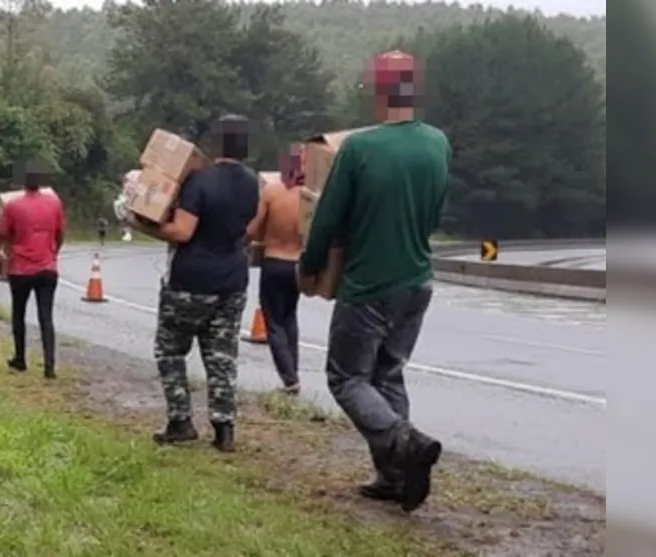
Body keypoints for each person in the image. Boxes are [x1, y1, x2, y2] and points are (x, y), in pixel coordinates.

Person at [297, 51, 450, 513]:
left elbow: (327, 218)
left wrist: (310, 265)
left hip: (369, 284)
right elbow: (436, 212)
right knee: (388, 373)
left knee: (346, 378)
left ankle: (403, 443)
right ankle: (395, 476)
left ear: (380, 91)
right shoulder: (438, 143)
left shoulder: (360, 148)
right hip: (417, 280)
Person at [129, 115, 259, 452]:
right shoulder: (252, 182)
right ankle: (224, 428)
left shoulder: (200, 181)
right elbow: (247, 229)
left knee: (170, 350)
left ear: (216, 143)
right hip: (232, 280)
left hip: (191, 280)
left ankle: (180, 421)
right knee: (222, 355)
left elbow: (182, 231)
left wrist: (143, 226)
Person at [0, 164, 66, 379]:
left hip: (21, 269)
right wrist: (53, 253)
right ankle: (49, 366)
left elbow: (2, 234)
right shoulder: (54, 203)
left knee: (19, 314)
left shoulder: (13, 206)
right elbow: (60, 233)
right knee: (46, 316)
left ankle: (20, 359)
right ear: (41, 182)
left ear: (22, 183)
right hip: (47, 268)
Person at [247, 145, 305, 395]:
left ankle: (289, 377)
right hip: (298, 263)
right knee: (290, 316)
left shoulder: (271, 192)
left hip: (274, 260)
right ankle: (295, 370)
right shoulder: (309, 196)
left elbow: (253, 229)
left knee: (274, 321)